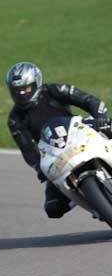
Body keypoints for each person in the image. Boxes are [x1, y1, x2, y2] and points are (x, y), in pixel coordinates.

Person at [6, 62, 111, 218]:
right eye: (17, 91)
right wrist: (38, 167)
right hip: (55, 153)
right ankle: (93, 202)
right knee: (53, 208)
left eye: (25, 88)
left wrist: (101, 118)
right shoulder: (15, 119)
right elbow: (27, 150)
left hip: (80, 132)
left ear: (37, 83)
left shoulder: (54, 90)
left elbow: (89, 101)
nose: (22, 94)